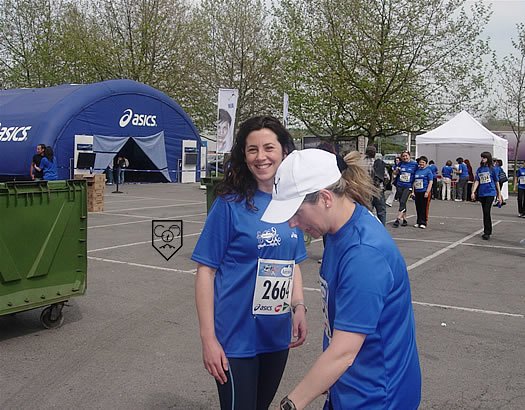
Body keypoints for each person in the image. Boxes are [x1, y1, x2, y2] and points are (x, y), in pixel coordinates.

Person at [261, 149, 421, 410]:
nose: (291, 223)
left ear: (325, 198)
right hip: (349, 387)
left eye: (297, 212)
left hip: (377, 397)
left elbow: (343, 352)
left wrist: (289, 405)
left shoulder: (363, 255)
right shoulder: (339, 231)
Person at [192, 116, 308, 410]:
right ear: (243, 156)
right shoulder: (228, 204)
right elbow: (206, 271)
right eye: (252, 149)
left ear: (283, 151)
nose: (261, 157)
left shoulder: (293, 203)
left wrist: (299, 306)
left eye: (268, 147)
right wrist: (208, 338)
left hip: (275, 336)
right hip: (235, 339)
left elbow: (292, 262)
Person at [471, 151, 503, 240]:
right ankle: (487, 230)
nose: (482, 159)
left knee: (486, 211)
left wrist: (499, 195)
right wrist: (473, 192)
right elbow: (477, 180)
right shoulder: (480, 169)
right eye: (482, 157)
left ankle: (487, 232)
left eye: (484, 158)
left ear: (488, 158)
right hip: (482, 193)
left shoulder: (493, 169)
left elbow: (497, 182)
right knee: (485, 213)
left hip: (490, 192)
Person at [362, 145, 388, 225]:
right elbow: (386, 177)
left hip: (365, 190)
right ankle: (382, 229)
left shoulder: (361, 164)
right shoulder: (379, 163)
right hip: (378, 190)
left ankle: (367, 228)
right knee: (381, 211)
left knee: (367, 211)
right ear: (375, 153)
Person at [392, 150, 418, 227]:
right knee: (401, 202)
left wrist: (414, 190)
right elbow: (395, 173)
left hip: (408, 186)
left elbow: (417, 174)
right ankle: (405, 220)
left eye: (406, 156)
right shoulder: (400, 163)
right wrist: (397, 170)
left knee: (403, 201)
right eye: (403, 156)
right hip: (400, 185)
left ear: (409, 156)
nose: (405, 157)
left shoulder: (414, 164)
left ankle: (398, 219)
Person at [412, 156, 434, 229]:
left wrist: (427, 191)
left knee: (424, 207)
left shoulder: (428, 171)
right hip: (417, 191)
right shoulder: (417, 171)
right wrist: (413, 192)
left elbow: (430, 182)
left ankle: (423, 222)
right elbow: (414, 182)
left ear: (426, 163)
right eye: (420, 162)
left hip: (424, 191)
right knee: (418, 207)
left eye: (423, 162)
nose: (421, 164)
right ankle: (418, 221)